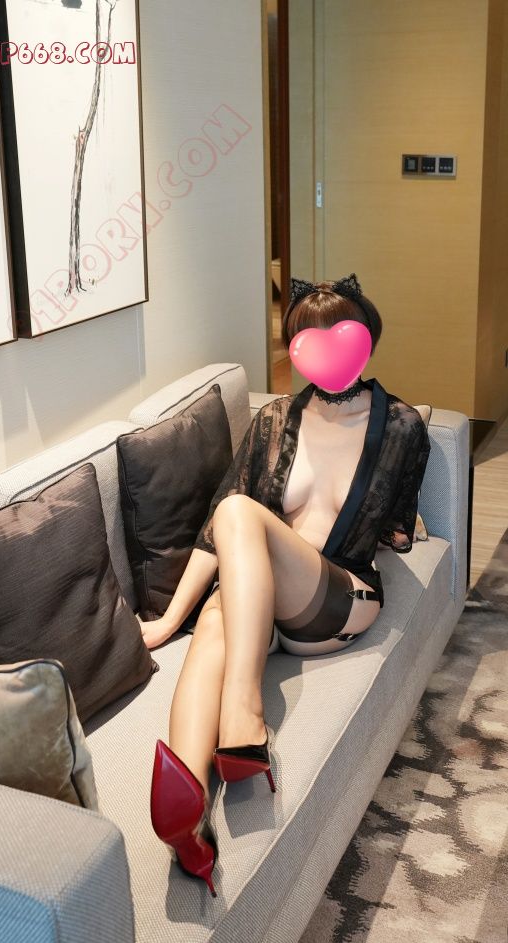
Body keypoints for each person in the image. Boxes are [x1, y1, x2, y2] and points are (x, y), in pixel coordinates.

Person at [143, 273, 431, 898]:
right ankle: (187, 818)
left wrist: (396, 524)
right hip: (265, 605)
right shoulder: (276, 418)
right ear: (295, 350)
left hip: (339, 601)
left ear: (367, 340)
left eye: (340, 335)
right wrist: (168, 620)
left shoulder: (402, 425)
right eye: (308, 339)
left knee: (239, 513)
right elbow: (217, 529)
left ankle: (244, 714)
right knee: (216, 613)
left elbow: (396, 529)